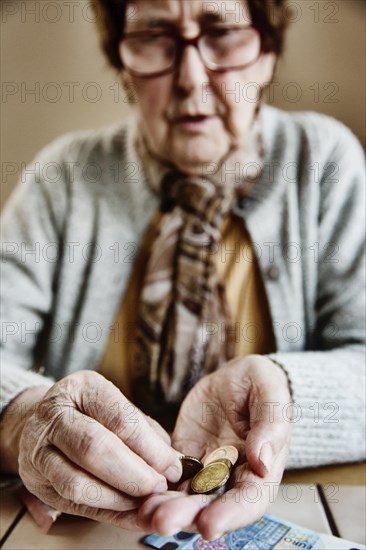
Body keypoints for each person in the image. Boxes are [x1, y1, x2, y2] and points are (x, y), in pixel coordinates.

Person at [0, 0, 365, 541]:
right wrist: (20, 416)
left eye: (222, 33)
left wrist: (284, 396)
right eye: (155, 38)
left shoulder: (325, 160)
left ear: (266, 52)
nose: (191, 78)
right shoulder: (64, 178)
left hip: (295, 504)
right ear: (122, 63)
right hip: (73, 528)